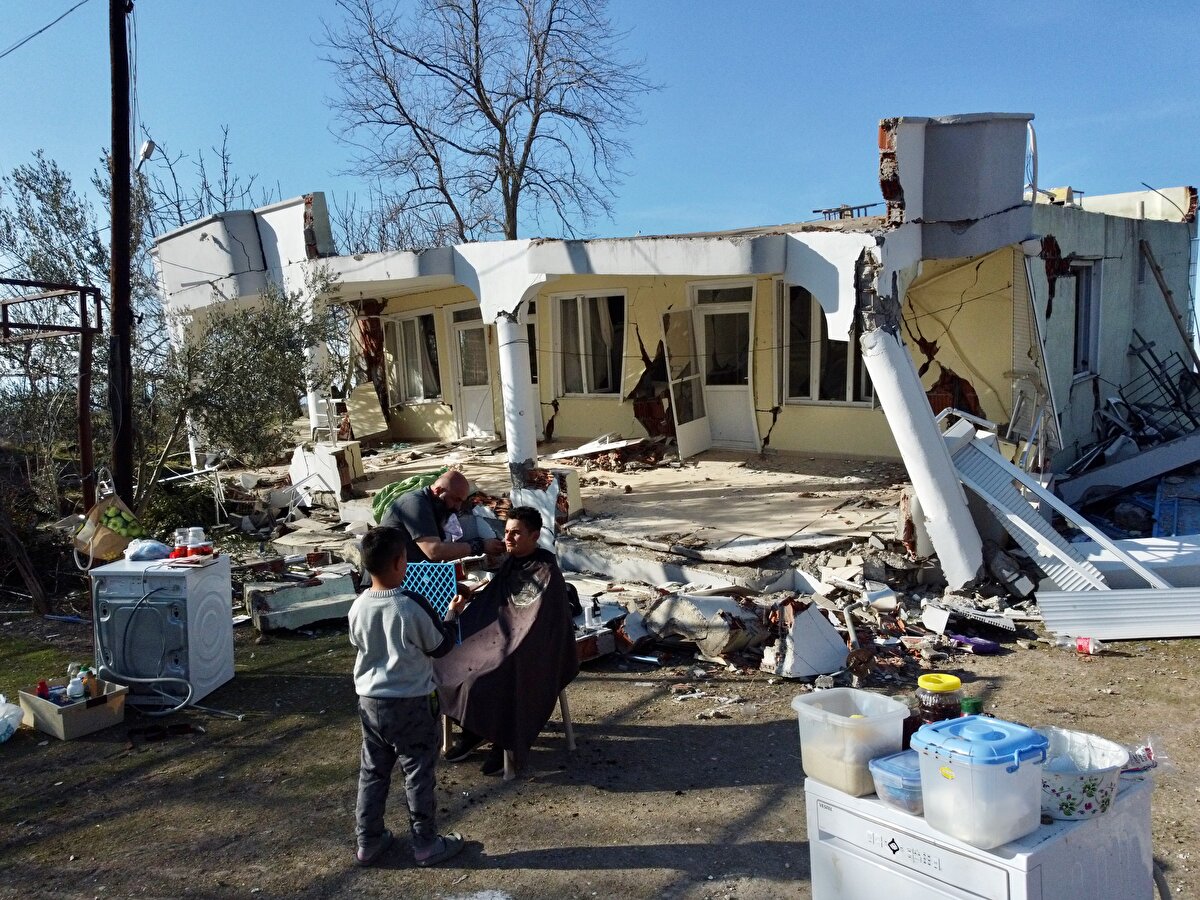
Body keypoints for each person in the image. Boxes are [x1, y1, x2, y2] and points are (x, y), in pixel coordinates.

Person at [348, 525, 469, 868]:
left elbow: (358, 644)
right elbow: (440, 646)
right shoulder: (409, 605)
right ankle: (426, 844)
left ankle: (368, 842)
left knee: (373, 772)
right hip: (412, 702)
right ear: (400, 562)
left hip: (370, 702)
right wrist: (452, 614)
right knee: (418, 772)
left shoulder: (358, 605)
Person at [434, 506, 580, 776]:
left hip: (531, 648)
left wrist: (512, 646)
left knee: (489, 675)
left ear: (535, 536)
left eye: (516, 533)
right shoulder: (510, 564)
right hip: (499, 639)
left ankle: (503, 741)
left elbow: (540, 624)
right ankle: (473, 730)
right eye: (506, 532)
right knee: (447, 664)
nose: (508, 538)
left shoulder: (547, 571)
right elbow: (497, 606)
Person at [380, 470, 505, 564]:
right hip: (389, 577)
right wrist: (479, 546)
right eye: (455, 500)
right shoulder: (416, 504)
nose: (457, 507)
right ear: (438, 491)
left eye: (461, 501)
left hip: (413, 573)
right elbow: (434, 551)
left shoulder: (434, 505)